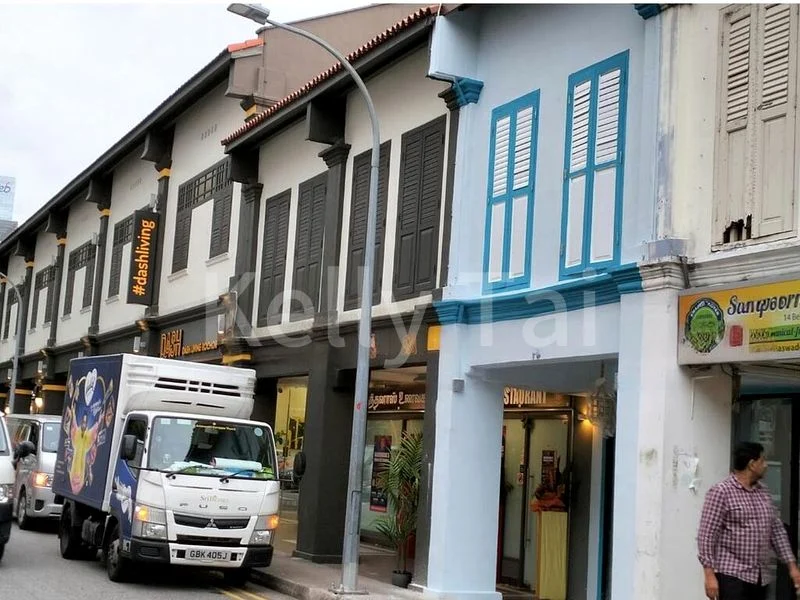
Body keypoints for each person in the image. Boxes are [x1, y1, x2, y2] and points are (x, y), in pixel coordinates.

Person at [697, 441, 800, 599]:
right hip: (731, 575)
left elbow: (776, 531)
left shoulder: (763, 492)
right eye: (762, 461)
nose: (765, 465)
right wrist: (709, 575)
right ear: (752, 464)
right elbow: (707, 535)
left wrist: (792, 566)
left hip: (759, 577)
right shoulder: (721, 492)